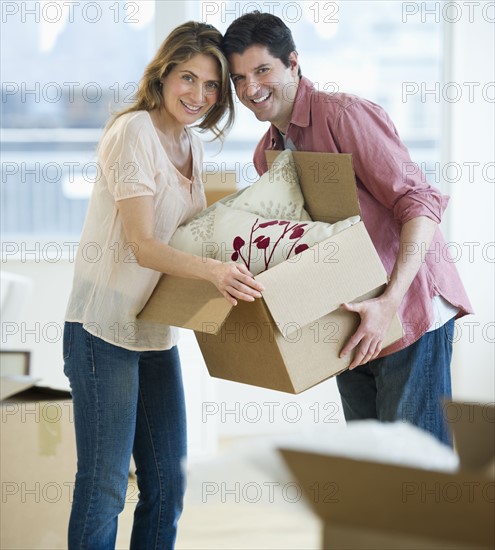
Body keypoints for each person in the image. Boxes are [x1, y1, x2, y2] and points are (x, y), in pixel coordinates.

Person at [221, 12, 473, 445]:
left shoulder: (344, 116)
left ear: (293, 63)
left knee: (415, 471)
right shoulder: (268, 153)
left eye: (262, 70)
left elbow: (420, 205)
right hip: (353, 319)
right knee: (373, 467)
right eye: (238, 78)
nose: (250, 89)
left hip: (406, 305)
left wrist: (389, 302)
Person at [63, 21, 264, 550]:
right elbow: (144, 246)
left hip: (152, 331)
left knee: (168, 483)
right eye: (187, 78)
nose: (198, 95)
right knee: (106, 486)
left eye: (212, 85)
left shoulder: (192, 147)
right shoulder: (133, 132)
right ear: (163, 74)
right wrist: (217, 273)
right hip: (101, 331)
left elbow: (197, 236)